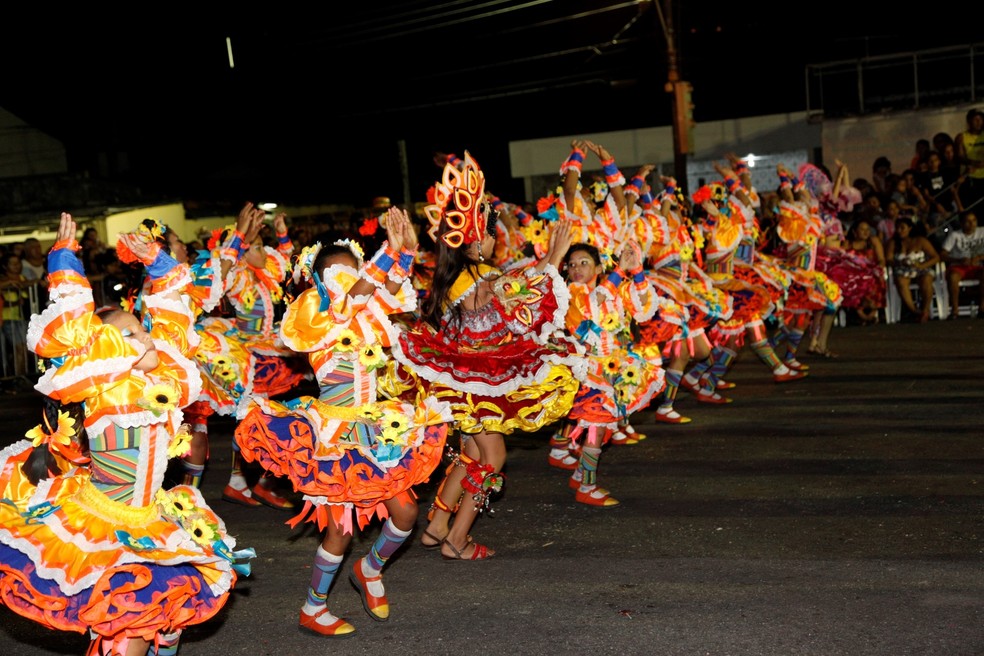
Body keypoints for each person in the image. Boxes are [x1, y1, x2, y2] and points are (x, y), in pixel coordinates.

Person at [0, 212, 253, 656]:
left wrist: (157, 262)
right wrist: (64, 261)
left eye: (143, 329)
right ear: (107, 350)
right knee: (129, 629)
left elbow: (175, 312)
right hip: (103, 524)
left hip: (152, 516)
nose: (147, 336)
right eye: (132, 334)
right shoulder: (102, 386)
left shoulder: (166, 382)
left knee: (167, 616)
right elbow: (75, 327)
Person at [235, 207, 451, 637]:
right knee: (337, 531)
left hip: (375, 426)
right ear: (317, 278)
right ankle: (313, 607)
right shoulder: (315, 313)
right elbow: (353, 297)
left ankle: (370, 570)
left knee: (407, 512)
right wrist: (388, 252)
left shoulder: (366, 310)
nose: (345, 276)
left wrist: (404, 250)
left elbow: (387, 291)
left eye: (351, 268)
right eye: (334, 270)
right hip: (334, 432)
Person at [393, 152, 582, 560]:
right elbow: (522, 293)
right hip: (477, 379)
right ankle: (457, 539)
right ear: (475, 239)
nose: (496, 242)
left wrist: (549, 259)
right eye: (492, 234)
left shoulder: (456, 278)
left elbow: (515, 286)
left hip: (463, 378)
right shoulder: (477, 279)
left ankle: (439, 524)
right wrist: (554, 256)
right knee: (493, 457)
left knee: (473, 453)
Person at [559, 240, 664, 506]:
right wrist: (620, 271)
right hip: (588, 371)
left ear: (598, 266)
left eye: (584, 263)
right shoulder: (572, 293)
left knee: (604, 431)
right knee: (596, 428)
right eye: (571, 265)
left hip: (616, 367)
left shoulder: (614, 289)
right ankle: (586, 486)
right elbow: (594, 306)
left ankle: (582, 473)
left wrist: (637, 270)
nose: (577, 269)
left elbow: (643, 309)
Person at [885, 217, 941, 322]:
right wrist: (900, 262)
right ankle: (914, 311)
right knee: (901, 282)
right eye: (897, 228)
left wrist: (921, 266)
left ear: (910, 228)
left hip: (921, 268)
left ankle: (925, 310)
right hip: (902, 269)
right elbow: (888, 259)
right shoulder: (893, 243)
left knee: (926, 280)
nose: (899, 231)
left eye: (902, 228)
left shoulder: (920, 241)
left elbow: (936, 257)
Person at [940, 210, 984, 318]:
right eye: (968, 221)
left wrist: (979, 257)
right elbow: (942, 254)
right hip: (959, 266)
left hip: (978, 265)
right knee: (953, 277)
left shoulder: (982, 231)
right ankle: (955, 310)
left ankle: (982, 307)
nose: (972, 224)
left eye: (974, 220)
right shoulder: (955, 235)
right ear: (962, 223)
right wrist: (959, 260)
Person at [843, 218, 887, 324]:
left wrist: (877, 268)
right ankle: (861, 314)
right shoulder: (847, 244)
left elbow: (881, 260)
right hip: (853, 273)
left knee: (874, 280)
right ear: (854, 231)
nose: (866, 232)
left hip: (871, 272)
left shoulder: (873, 241)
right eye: (862, 229)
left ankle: (872, 312)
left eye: (868, 229)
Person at [0, 252, 32, 379]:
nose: (16, 266)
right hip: (8, 319)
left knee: (23, 349)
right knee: (18, 348)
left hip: (21, 318)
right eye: (12, 264)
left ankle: (21, 376)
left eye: (18, 263)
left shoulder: (22, 279)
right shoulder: (3, 279)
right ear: (5, 266)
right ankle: (18, 377)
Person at [954, 108, 984, 210]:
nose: (979, 122)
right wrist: (974, 163)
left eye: (981, 119)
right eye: (976, 119)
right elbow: (959, 157)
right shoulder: (962, 137)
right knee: (973, 207)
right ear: (969, 121)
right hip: (970, 176)